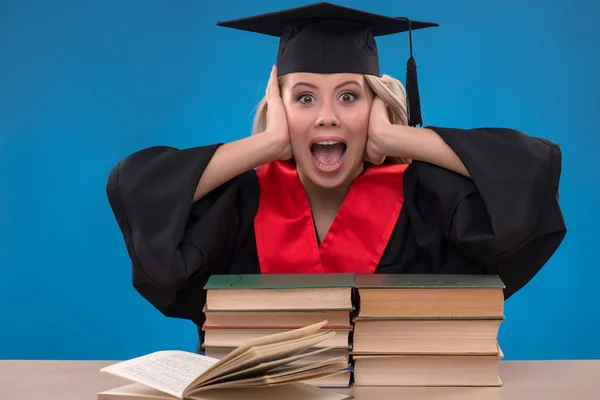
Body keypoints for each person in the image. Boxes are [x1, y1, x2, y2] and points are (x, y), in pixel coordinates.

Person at [106, 3, 566, 345]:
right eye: (304, 98)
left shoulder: (425, 197)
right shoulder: (240, 200)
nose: (327, 117)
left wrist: (398, 140)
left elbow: (527, 175)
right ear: (279, 107)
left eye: (349, 96)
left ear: (375, 105)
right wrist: (267, 145)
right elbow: (142, 191)